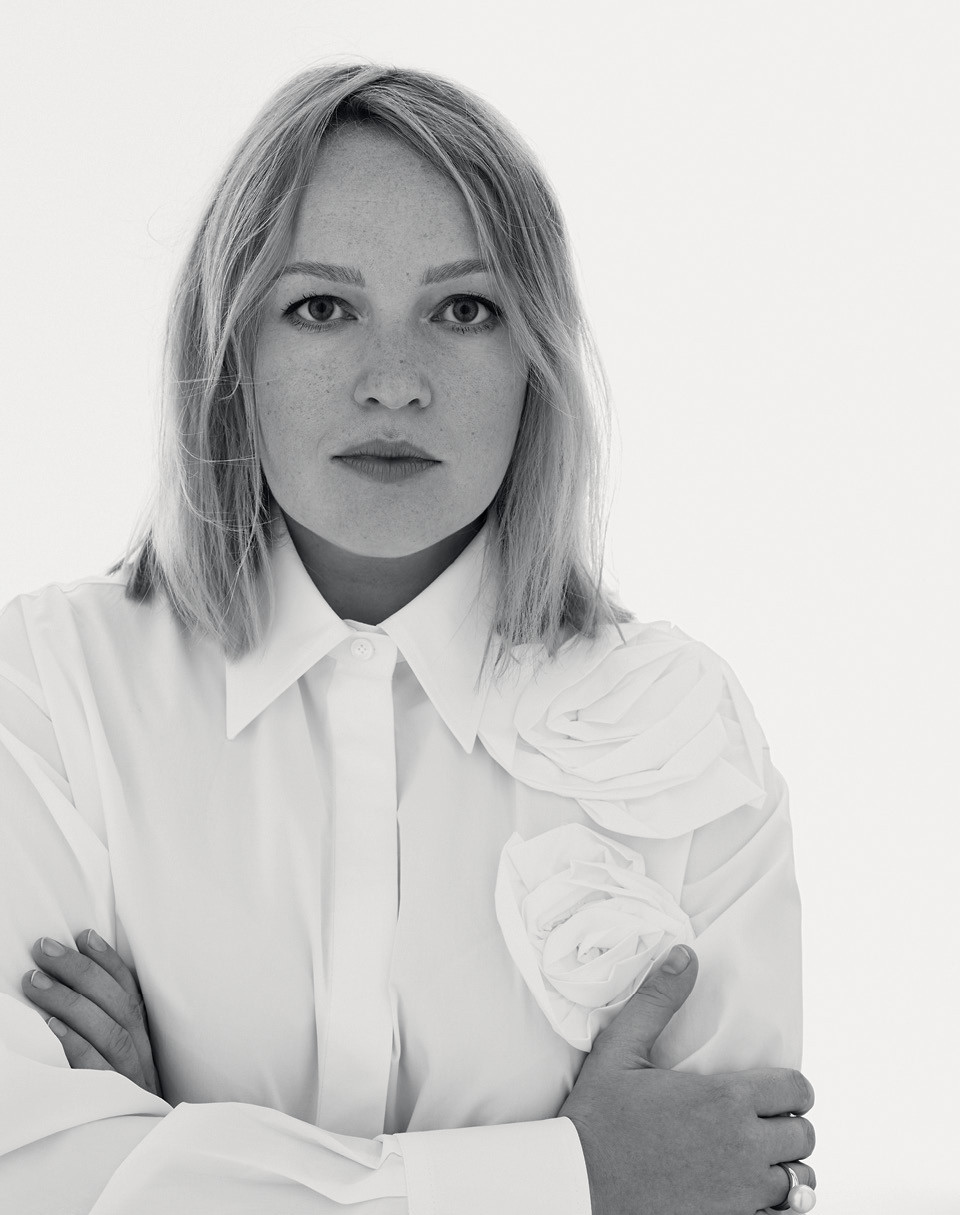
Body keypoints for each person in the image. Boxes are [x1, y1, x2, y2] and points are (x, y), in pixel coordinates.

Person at [0, 60, 816, 1214]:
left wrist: (175, 1154)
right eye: (321, 308)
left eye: (463, 310)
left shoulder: (682, 729)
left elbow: (729, 1184)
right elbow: (27, 1178)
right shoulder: (49, 692)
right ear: (230, 353)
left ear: (536, 358)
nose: (393, 384)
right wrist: (577, 1176)